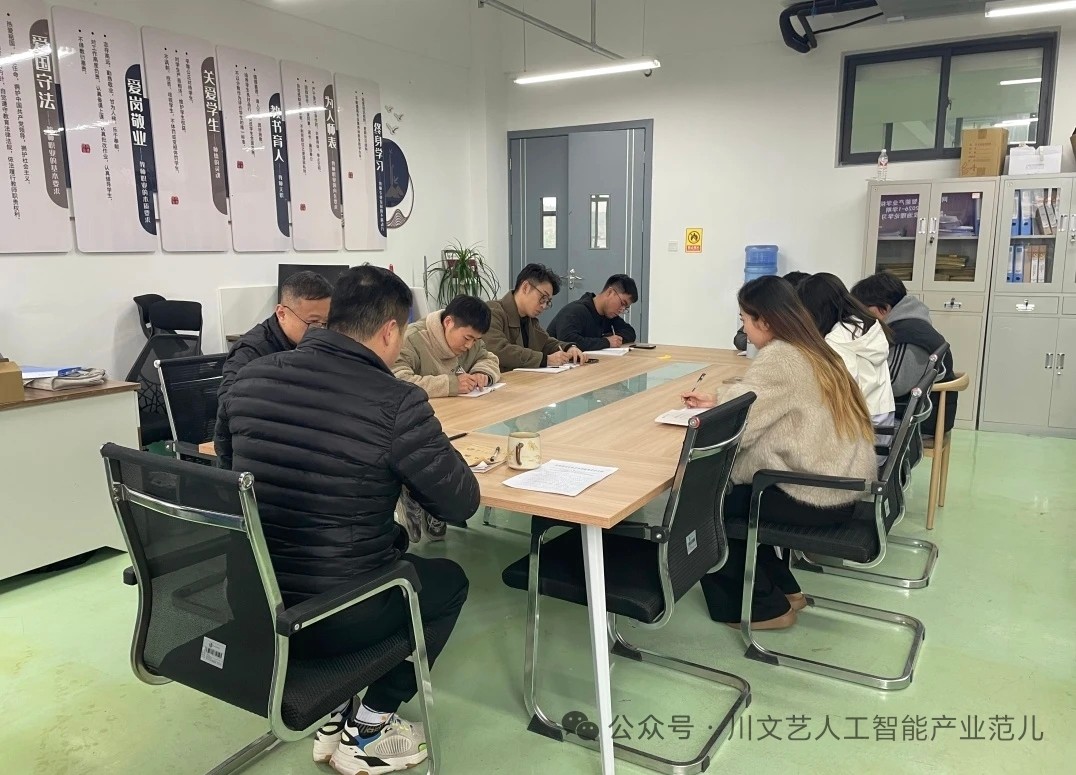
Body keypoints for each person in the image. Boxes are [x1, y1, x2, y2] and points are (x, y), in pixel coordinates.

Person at [216, 265, 479, 775]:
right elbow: (461, 503)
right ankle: (370, 727)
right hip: (337, 616)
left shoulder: (249, 379)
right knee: (448, 583)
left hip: (253, 601)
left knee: (379, 549)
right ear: (390, 331)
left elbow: (229, 476)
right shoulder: (396, 401)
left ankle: (334, 711)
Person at [682, 275, 876, 630]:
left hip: (814, 494)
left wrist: (703, 422)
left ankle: (763, 608)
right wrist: (719, 399)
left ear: (765, 321)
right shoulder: (813, 348)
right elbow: (762, 401)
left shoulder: (781, 358)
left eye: (744, 319)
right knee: (738, 500)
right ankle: (785, 590)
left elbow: (740, 428)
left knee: (706, 505)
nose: (743, 328)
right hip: (839, 484)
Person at [391, 294, 500, 541]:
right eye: (467, 338)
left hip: (459, 417)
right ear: (448, 322)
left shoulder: (471, 342)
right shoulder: (413, 338)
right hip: (416, 423)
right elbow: (398, 379)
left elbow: (488, 357)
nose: (469, 346)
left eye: (475, 340)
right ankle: (412, 494)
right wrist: (450, 384)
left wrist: (483, 373)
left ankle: (434, 505)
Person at [213, 270, 333, 468]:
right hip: (260, 456)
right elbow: (229, 409)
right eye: (312, 323)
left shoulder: (317, 345)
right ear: (282, 313)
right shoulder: (250, 352)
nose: (320, 331)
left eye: (326, 323)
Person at [850, 271, 956, 435]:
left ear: (884, 309)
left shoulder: (908, 335)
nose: (861, 318)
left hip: (917, 421)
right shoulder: (911, 325)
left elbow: (894, 385)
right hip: (915, 413)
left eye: (864, 311)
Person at [796, 272, 896, 436]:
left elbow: (840, 395)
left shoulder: (837, 340)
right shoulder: (865, 325)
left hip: (864, 436)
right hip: (882, 422)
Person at [485, 263, 588, 370]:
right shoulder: (492, 312)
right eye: (543, 298)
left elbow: (545, 342)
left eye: (548, 302)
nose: (544, 306)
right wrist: (545, 360)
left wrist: (569, 348)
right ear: (525, 287)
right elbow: (498, 350)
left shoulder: (529, 319)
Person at [547, 273, 638, 350]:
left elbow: (630, 332)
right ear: (610, 292)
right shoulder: (575, 311)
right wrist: (605, 342)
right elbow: (566, 341)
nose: (622, 310)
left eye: (625, 308)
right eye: (622, 303)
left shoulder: (609, 315)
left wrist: (610, 339)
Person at [734, 271, 810, 352]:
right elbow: (739, 339)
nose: (745, 330)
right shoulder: (804, 342)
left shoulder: (776, 354)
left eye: (743, 320)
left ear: (764, 322)